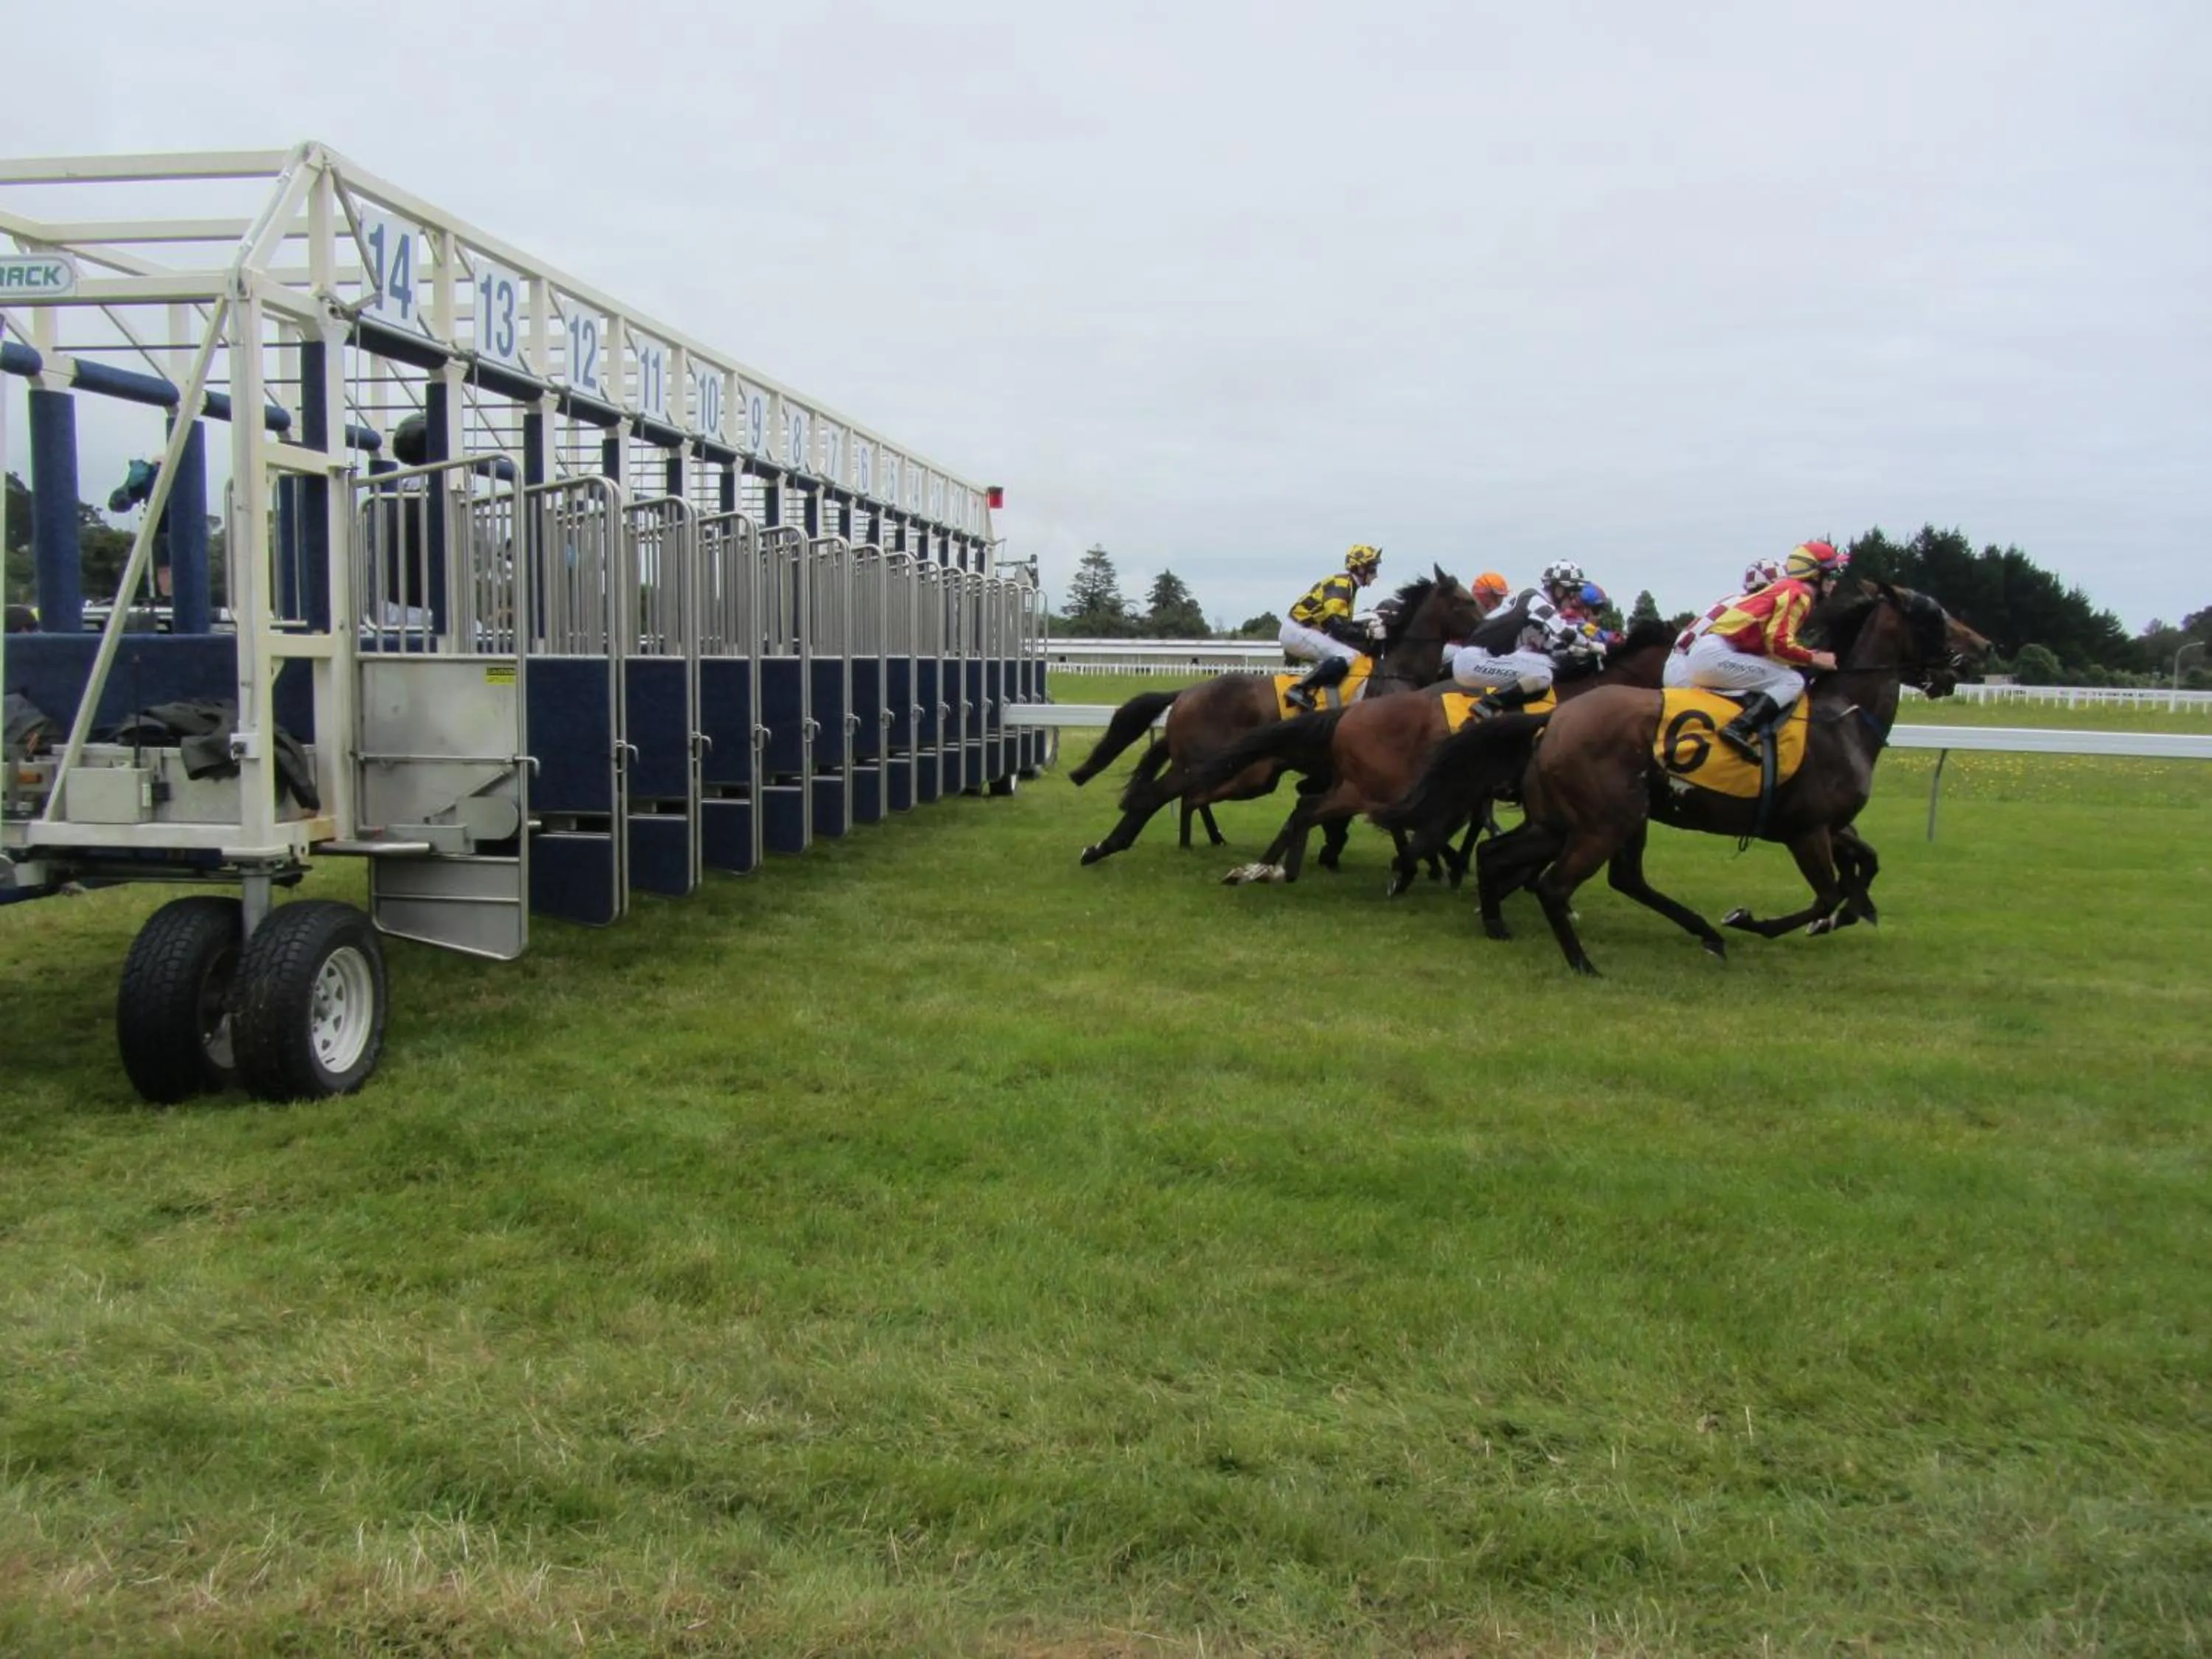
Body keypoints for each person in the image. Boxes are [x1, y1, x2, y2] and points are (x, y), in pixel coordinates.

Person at [1665, 540, 1847, 758]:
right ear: (1816, 575)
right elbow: (1779, 643)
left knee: (1777, 676)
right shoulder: (1800, 594)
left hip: (1701, 655)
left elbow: (1772, 648)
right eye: (1831, 575)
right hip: (1713, 656)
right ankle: (1739, 728)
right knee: (1792, 681)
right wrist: (1814, 659)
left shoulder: (1784, 590)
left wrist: (1805, 657)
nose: (1833, 584)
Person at [1446, 560, 1600, 715]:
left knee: (1546, 664)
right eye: (1573, 590)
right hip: (1473, 662)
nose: (1574, 597)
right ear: (1558, 588)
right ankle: (1487, 705)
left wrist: (1577, 652)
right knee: (1543, 674)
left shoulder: (1538, 609)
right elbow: (1564, 632)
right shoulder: (1535, 600)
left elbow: (1552, 646)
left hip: (1480, 658)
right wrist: (1591, 645)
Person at [1281, 543, 1382, 709]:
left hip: (1304, 629)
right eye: (1372, 569)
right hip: (1297, 630)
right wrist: (1368, 633)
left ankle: (1325, 698)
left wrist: (1365, 631)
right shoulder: (1342, 585)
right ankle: (1299, 689)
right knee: (1349, 656)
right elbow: (1338, 627)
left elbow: (1341, 626)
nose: (1375, 575)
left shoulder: (1348, 585)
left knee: (1351, 654)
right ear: (1360, 568)